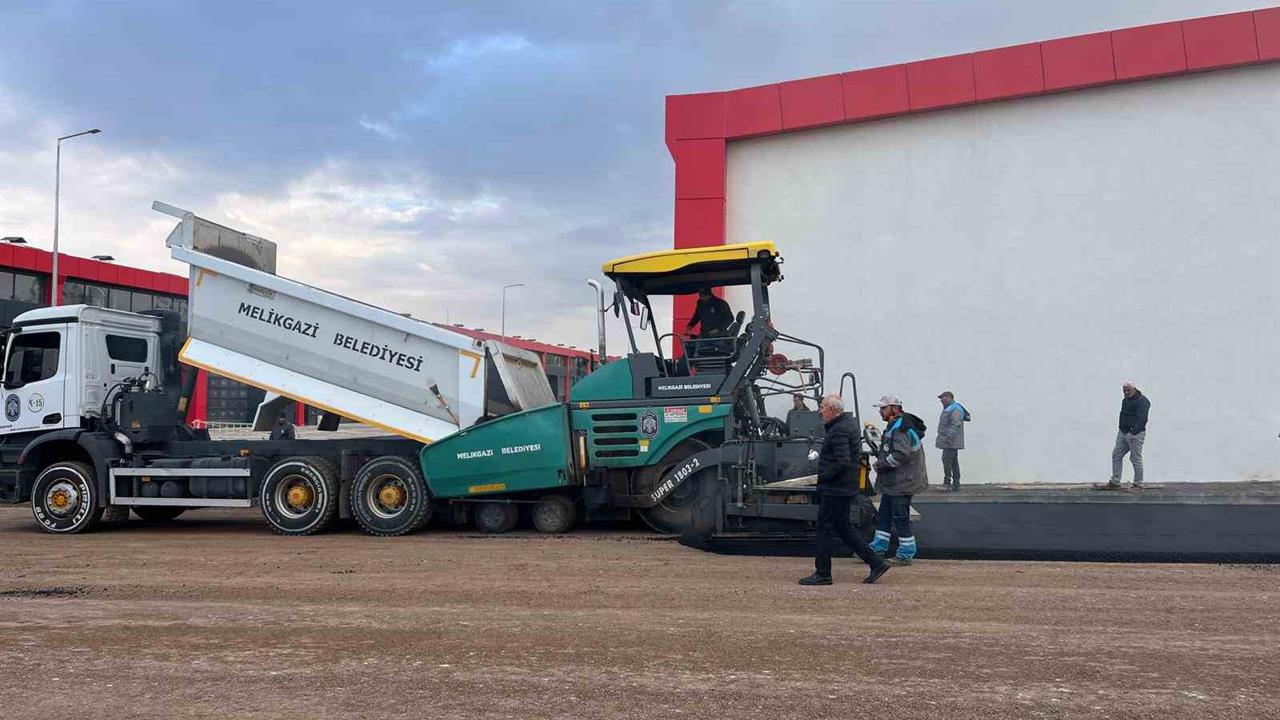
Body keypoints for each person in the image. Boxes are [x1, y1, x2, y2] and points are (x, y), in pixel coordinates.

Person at [798, 394, 892, 586]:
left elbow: (842, 461)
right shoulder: (846, 426)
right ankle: (876, 562)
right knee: (843, 527)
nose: (820, 410)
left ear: (833, 410)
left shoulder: (839, 431)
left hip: (836, 489)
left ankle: (823, 573)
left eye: (823, 407)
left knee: (824, 529)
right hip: (844, 487)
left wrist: (822, 477)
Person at [869, 395, 929, 565]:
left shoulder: (900, 428)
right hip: (894, 483)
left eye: (883, 408)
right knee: (884, 515)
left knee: (900, 516)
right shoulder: (895, 426)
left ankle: (906, 554)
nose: (880, 411)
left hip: (902, 482)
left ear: (895, 409)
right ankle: (877, 548)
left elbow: (900, 455)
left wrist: (881, 465)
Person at [1096, 382, 1150, 491]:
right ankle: (1115, 482)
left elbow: (1142, 419)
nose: (1126, 392)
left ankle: (1138, 484)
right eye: (1124, 390)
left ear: (1135, 389)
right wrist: (1122, 429)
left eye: (1128, 390)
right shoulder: (1125, 400)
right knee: (1116, 455)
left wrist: (1133, 432)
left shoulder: (1142, 401)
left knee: (1135, 458)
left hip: (1135, 434)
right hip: (1123, 432)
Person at [935, 391, 970, 492]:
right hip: (950, 440)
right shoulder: (950, 408)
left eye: (943, 398)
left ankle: (948, 483)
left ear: (949, 397)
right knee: (953, 461)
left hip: (951, 441)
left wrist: (949, 437)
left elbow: (955, 423)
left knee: (947, 460)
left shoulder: (955, 409)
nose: (941, 400)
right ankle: (955, 484)